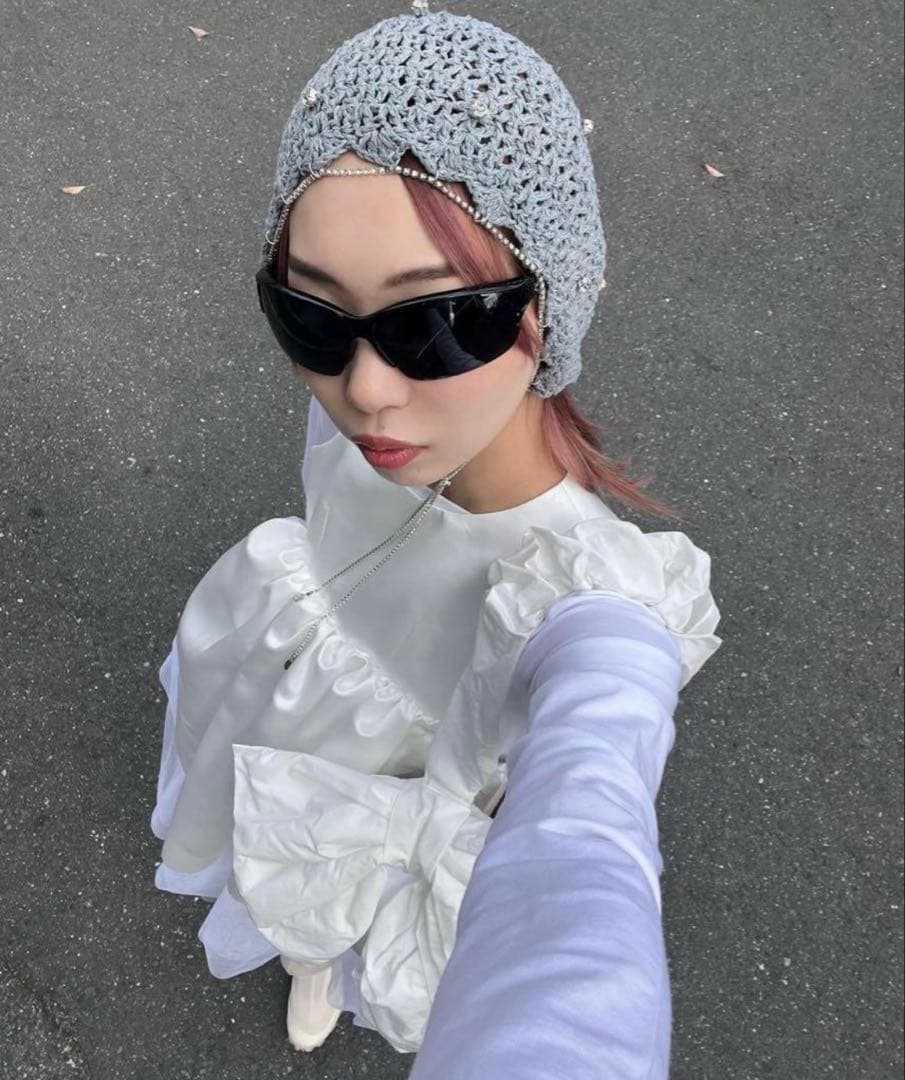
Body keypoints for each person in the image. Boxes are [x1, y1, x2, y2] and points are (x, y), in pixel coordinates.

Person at [149, 4, 723, 1076]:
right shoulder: (364, 407)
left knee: (336, 887)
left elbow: (585, 831)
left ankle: (320, 955)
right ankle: (301, 948)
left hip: (398, 786)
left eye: (439, 324)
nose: (364, 390)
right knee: (265, 857)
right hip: (283, 691)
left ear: (548, 305)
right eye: (310, 316)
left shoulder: (585, 585)